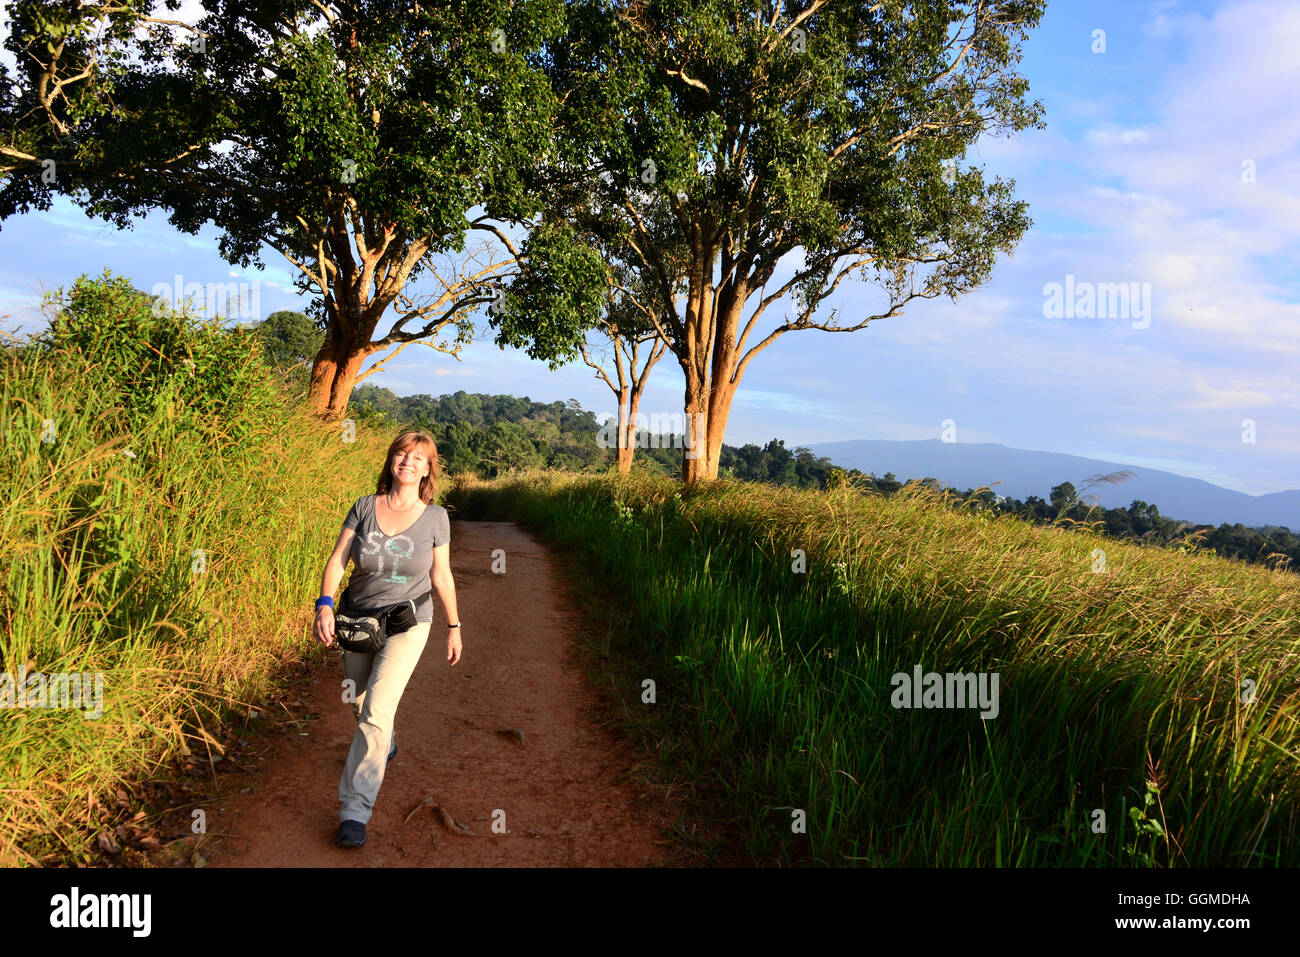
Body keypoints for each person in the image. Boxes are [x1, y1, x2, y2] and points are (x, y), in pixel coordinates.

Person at [312, 428, 461, 848]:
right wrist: (324, 603)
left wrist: (454, 626)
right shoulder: (364, 506)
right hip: (357, 619)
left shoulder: (436, 518)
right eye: (401, 454)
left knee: (376, 709)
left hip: (408, 622)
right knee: (359, 702)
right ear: (391, 460)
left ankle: (354, 811)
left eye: (418, 458)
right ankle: (386, 740)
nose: (408, 462)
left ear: (428, 468)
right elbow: (339, 558)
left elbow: (441, 575)